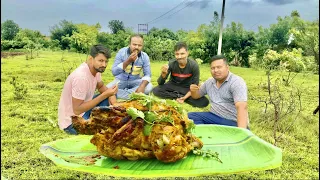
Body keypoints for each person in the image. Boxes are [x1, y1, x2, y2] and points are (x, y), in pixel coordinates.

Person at [58, 44, 118, 135]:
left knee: (111, 95)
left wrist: (115, 104)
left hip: (83, 111)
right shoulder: (81, 77)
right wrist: (104, 95)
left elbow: (101, 87)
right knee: (104, 130)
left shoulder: (95, 70)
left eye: (106, 61)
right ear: (91, 58)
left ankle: (99, 119)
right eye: (101, 61)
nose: (104, 65)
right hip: (72, 122)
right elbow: (77, 110)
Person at [188, 54, 249, 129]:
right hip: (214, 116)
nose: (216, 70)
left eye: (219, 67)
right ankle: (208, 134)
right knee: (190, 117)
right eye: (213, 68)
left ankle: (216, 133)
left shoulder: (236, 82)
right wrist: (193, 90)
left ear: (227, 67)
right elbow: (196, 96)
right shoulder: (209, 82)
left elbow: (242, 107)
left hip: (232, 121)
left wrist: (242, 132)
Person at [152, 42, 209, 107]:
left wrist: (184, 97)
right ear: (174, 54)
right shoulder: (171, 63)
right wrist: (163, 74)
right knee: (156, 90)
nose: (179, 57)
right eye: (177, 54)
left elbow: (194, 87)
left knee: (204, 102)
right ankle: (179, 96)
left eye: (182, 54)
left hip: (186, 88)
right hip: (173, 85)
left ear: (187, 53)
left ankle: (179, 96)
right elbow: (160, 83)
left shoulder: (194, 65)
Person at [106, 34, 152, 100]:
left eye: (139, 45)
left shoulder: (144, 56)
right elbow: (114, 72)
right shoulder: (121, 52)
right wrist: (128, 61)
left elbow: (148, 74)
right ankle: (134, 95)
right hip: (120, 80)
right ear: (129, 44)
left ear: (142, 46)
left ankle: (119, 94)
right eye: (134, 44)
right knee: (107, 88)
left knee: (149, 87)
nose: (137, 47)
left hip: (135, 80)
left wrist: (142, 87)